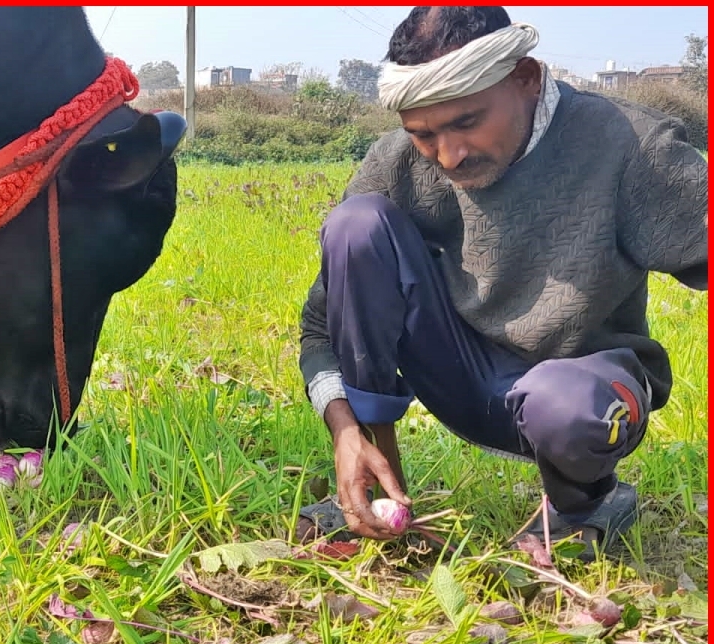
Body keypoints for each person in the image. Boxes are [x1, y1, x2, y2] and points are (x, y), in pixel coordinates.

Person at [295, 6, 708, 561]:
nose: (449, 155)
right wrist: (346, 432)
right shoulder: (397, 164)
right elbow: (322, 324)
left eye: (467, 122)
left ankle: (583, 503)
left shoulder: (629, 144)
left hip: (582, 394)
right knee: (356, 224)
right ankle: (376, 479)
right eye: (422, 134)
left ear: (525, 78)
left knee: (567, 407)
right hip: (461, 371)